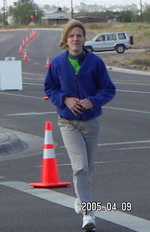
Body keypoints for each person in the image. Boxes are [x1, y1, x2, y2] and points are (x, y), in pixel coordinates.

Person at [44, 19, 115, 231]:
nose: (75, 39)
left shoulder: (95, 62)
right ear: (65, 40)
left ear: (84, 39)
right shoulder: (57, 63)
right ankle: (88, 213)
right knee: (80, 166)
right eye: (72, 35)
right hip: (68, 122)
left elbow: (108, 89)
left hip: (91, 121)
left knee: (88, 169)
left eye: (79, 35)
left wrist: (93, 100)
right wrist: (65, 99)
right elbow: (49, 89)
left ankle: (81, 197)